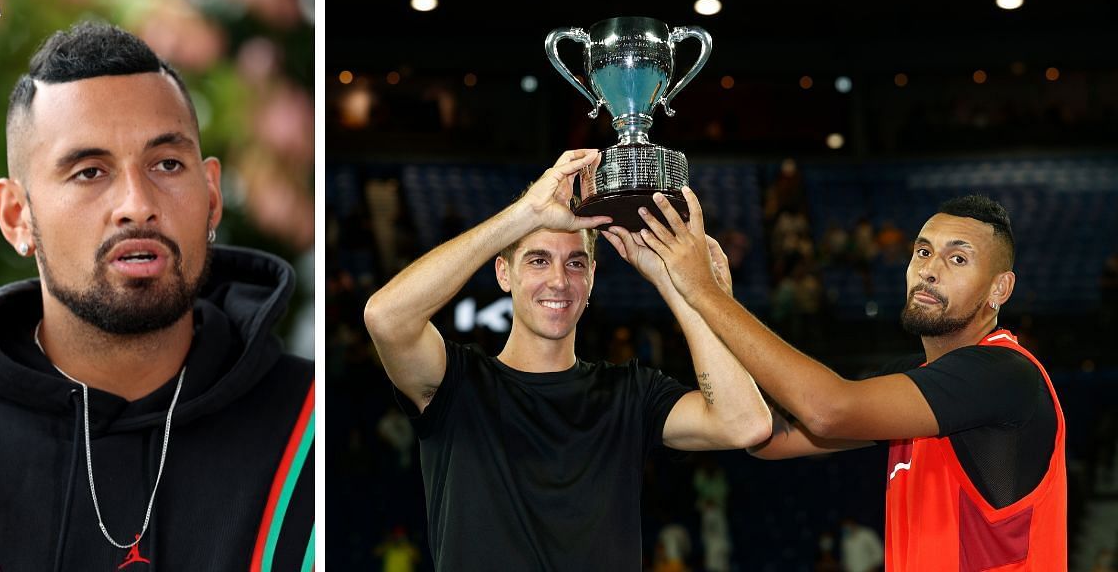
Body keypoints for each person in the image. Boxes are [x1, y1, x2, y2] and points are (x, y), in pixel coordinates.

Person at [0, 23, 314, 570]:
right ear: (17, 217)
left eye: (167, 165)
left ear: (213, 195)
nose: (137, 204)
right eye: (89, 172)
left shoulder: (311, 425)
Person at [363, 150, 771, 570]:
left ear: (592, 276)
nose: (559, 280)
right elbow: (386, 317)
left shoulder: (630, 393)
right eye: (538, 260)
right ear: (504, 273)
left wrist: (690, 291)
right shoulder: (458, 382)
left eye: (575, 263)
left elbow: (745, 423)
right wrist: (523, 215)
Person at [633, 192, 1066, 570]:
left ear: (1000, 289)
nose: (930, 270)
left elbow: (827, 410)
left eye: (957, 258)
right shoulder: (911, 380)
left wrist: (704, 293)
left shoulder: (1004, 375)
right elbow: (768, 439)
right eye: (922, 252)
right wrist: (704, 303)